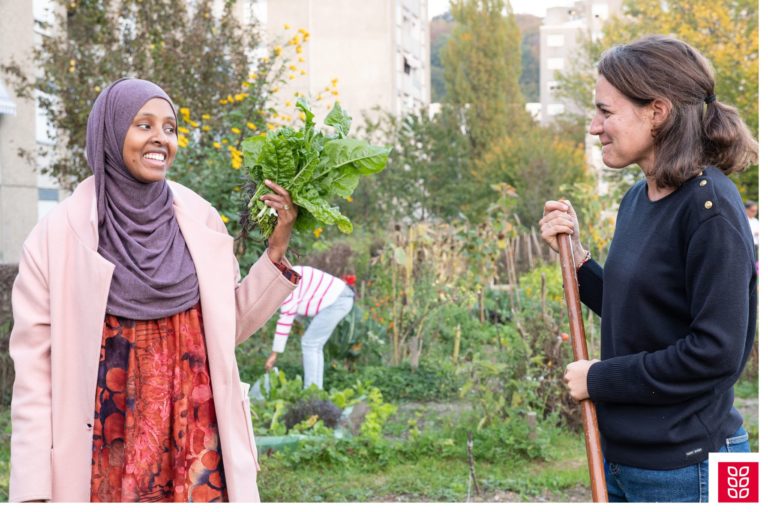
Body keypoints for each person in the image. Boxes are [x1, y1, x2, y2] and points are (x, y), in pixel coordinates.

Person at [8, 78, 302, 502]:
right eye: (143, 125)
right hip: (104, 451)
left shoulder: (198, 220)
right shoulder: (56, 237)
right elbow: (34, 377)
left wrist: (276, 250)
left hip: (197, 441)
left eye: (170, 127)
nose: (161, 138)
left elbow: (222, 330)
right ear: (110, 133)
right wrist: (33, 492)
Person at [539, 36, 757, 502]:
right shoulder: (639, 198)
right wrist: (578, 261)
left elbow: (715, 352)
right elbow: (637, 308)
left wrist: (599, 379)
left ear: (657, 112)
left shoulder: (710, 208)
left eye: (606, 111)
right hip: (625, 459)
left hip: (696, 464)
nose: (595, 126)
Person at [264, 266, 355, 389]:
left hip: (337, 301)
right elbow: (300, 309)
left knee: (310, 344)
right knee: (314, 345)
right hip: (342, 297)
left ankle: (311, 392)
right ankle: (316, 391)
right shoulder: (288, 274)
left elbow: (285, 320)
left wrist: (274, 354)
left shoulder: (287, 286)